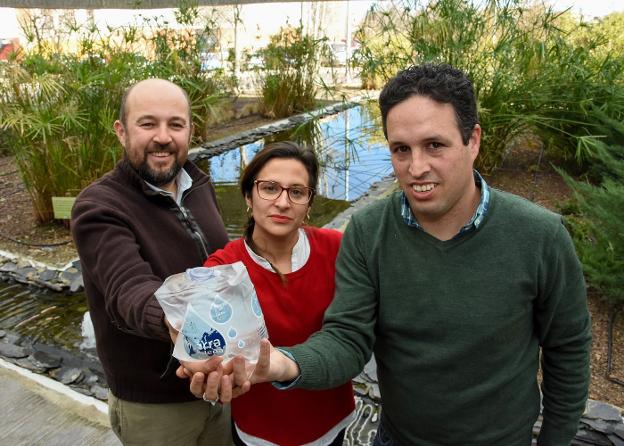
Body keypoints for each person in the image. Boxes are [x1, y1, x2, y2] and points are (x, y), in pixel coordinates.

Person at [193, 63, 593, 445]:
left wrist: (555, 440)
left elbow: (568, 348)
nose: (416, 167)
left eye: (434, 145)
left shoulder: (539, 236)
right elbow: (348, 338)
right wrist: (282, 363)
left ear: (473, 140)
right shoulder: (368, 233)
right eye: (401, 149)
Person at [71, 78, 231, 446]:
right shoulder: (99, 207)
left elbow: (218, 260)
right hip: (157, 406)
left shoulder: (198, 184)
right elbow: (127, 288)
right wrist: (176, 322)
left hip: (220, 382)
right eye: (148, 124)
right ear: (121, 131)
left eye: (175, 124)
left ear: (190, 129)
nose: (163, 137)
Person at [183, 141, 355, 446]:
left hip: (330, 421)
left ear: (309, 203)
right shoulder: (224, 268)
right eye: (270, 188)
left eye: (297, 192)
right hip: (260, 432)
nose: (283, 202)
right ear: (249, 196)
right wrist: (197, 356)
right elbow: (195, 333)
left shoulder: (336, 249)